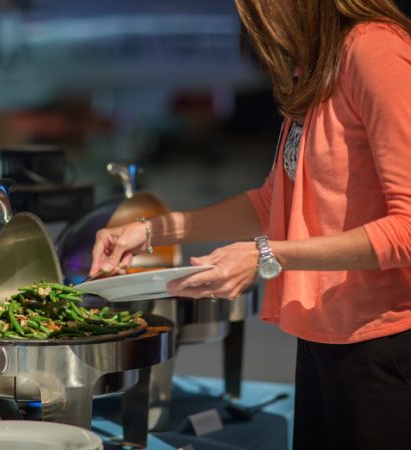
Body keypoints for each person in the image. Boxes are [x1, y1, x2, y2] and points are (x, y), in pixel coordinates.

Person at [89, 1, 411, 449]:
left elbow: (407, 229)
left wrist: (266, 255)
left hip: (382, 343)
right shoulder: (317, 66)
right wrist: (150, 230)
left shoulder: (375, 50)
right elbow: (273, 202)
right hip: (324, 334)